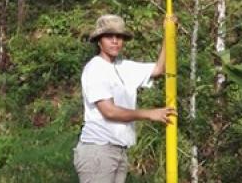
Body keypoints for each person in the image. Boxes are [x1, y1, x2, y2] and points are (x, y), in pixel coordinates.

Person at [74, 13, 176, 183]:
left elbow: (159, 69)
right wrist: (150, 114)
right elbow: (109, 111)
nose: (115, 41)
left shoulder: (124, 67)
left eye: (119, 37)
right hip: (98, 150)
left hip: (119, 150)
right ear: (99, 41)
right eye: (109, 36)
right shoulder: (95, 69)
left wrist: (169, 34)